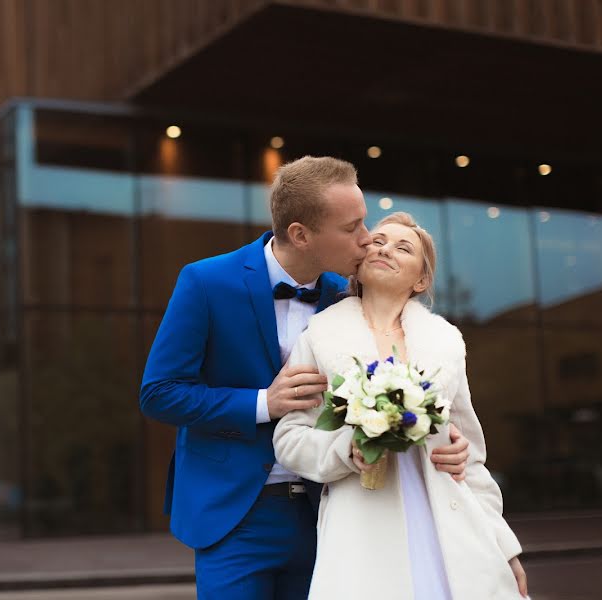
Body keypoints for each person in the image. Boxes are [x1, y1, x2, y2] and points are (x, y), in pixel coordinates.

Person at [140, 157, 472, 599]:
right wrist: (263, 403)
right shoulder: (206, 282)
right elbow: (159, 393)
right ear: (301, 235)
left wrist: (446, 438)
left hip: (332, 511)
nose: (367, 238)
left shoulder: (347, 294)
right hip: (234, 514)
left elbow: (406, 369)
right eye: (352, 227)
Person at [273, 211, 528, 599]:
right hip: (361, 528)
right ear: (359, 264)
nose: (385, 249)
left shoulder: (446, 342)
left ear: (421, 279)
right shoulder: (320, 335)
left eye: (403, 247)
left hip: (452, 527)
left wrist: (506, 550)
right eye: (377, 242)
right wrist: (347, 448)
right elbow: (289, 438)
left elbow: (471, 459)